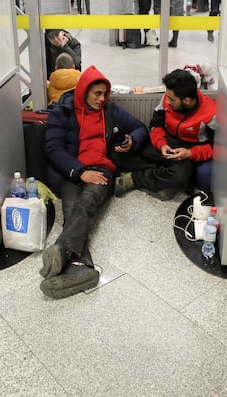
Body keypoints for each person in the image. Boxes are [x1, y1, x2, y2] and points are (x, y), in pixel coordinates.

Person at [40, 66, 148, 299]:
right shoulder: (62, 113)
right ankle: (82, 269)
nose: (102, 99)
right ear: (83, 92)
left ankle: (62, 250)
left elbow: (140, 128)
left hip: (102, 171)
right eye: (96, 94)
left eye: (104, 94)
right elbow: (53, 149)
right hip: (72, 171)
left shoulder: (111, 111)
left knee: (86, 203)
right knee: (72, 211)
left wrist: (132, 141)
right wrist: (79, 172)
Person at [115, 69, 216, 199]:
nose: (167, 101)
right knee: (118, 155)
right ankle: (165, 179)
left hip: (189, 151)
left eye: (171, 99)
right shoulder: (167, 98)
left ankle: (134, 179)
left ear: (187, 101)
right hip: (166, 142)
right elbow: (156, 125)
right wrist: (161, 144)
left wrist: (189, 153)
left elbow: (214, 147)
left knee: (179, 175)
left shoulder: (211, 112)